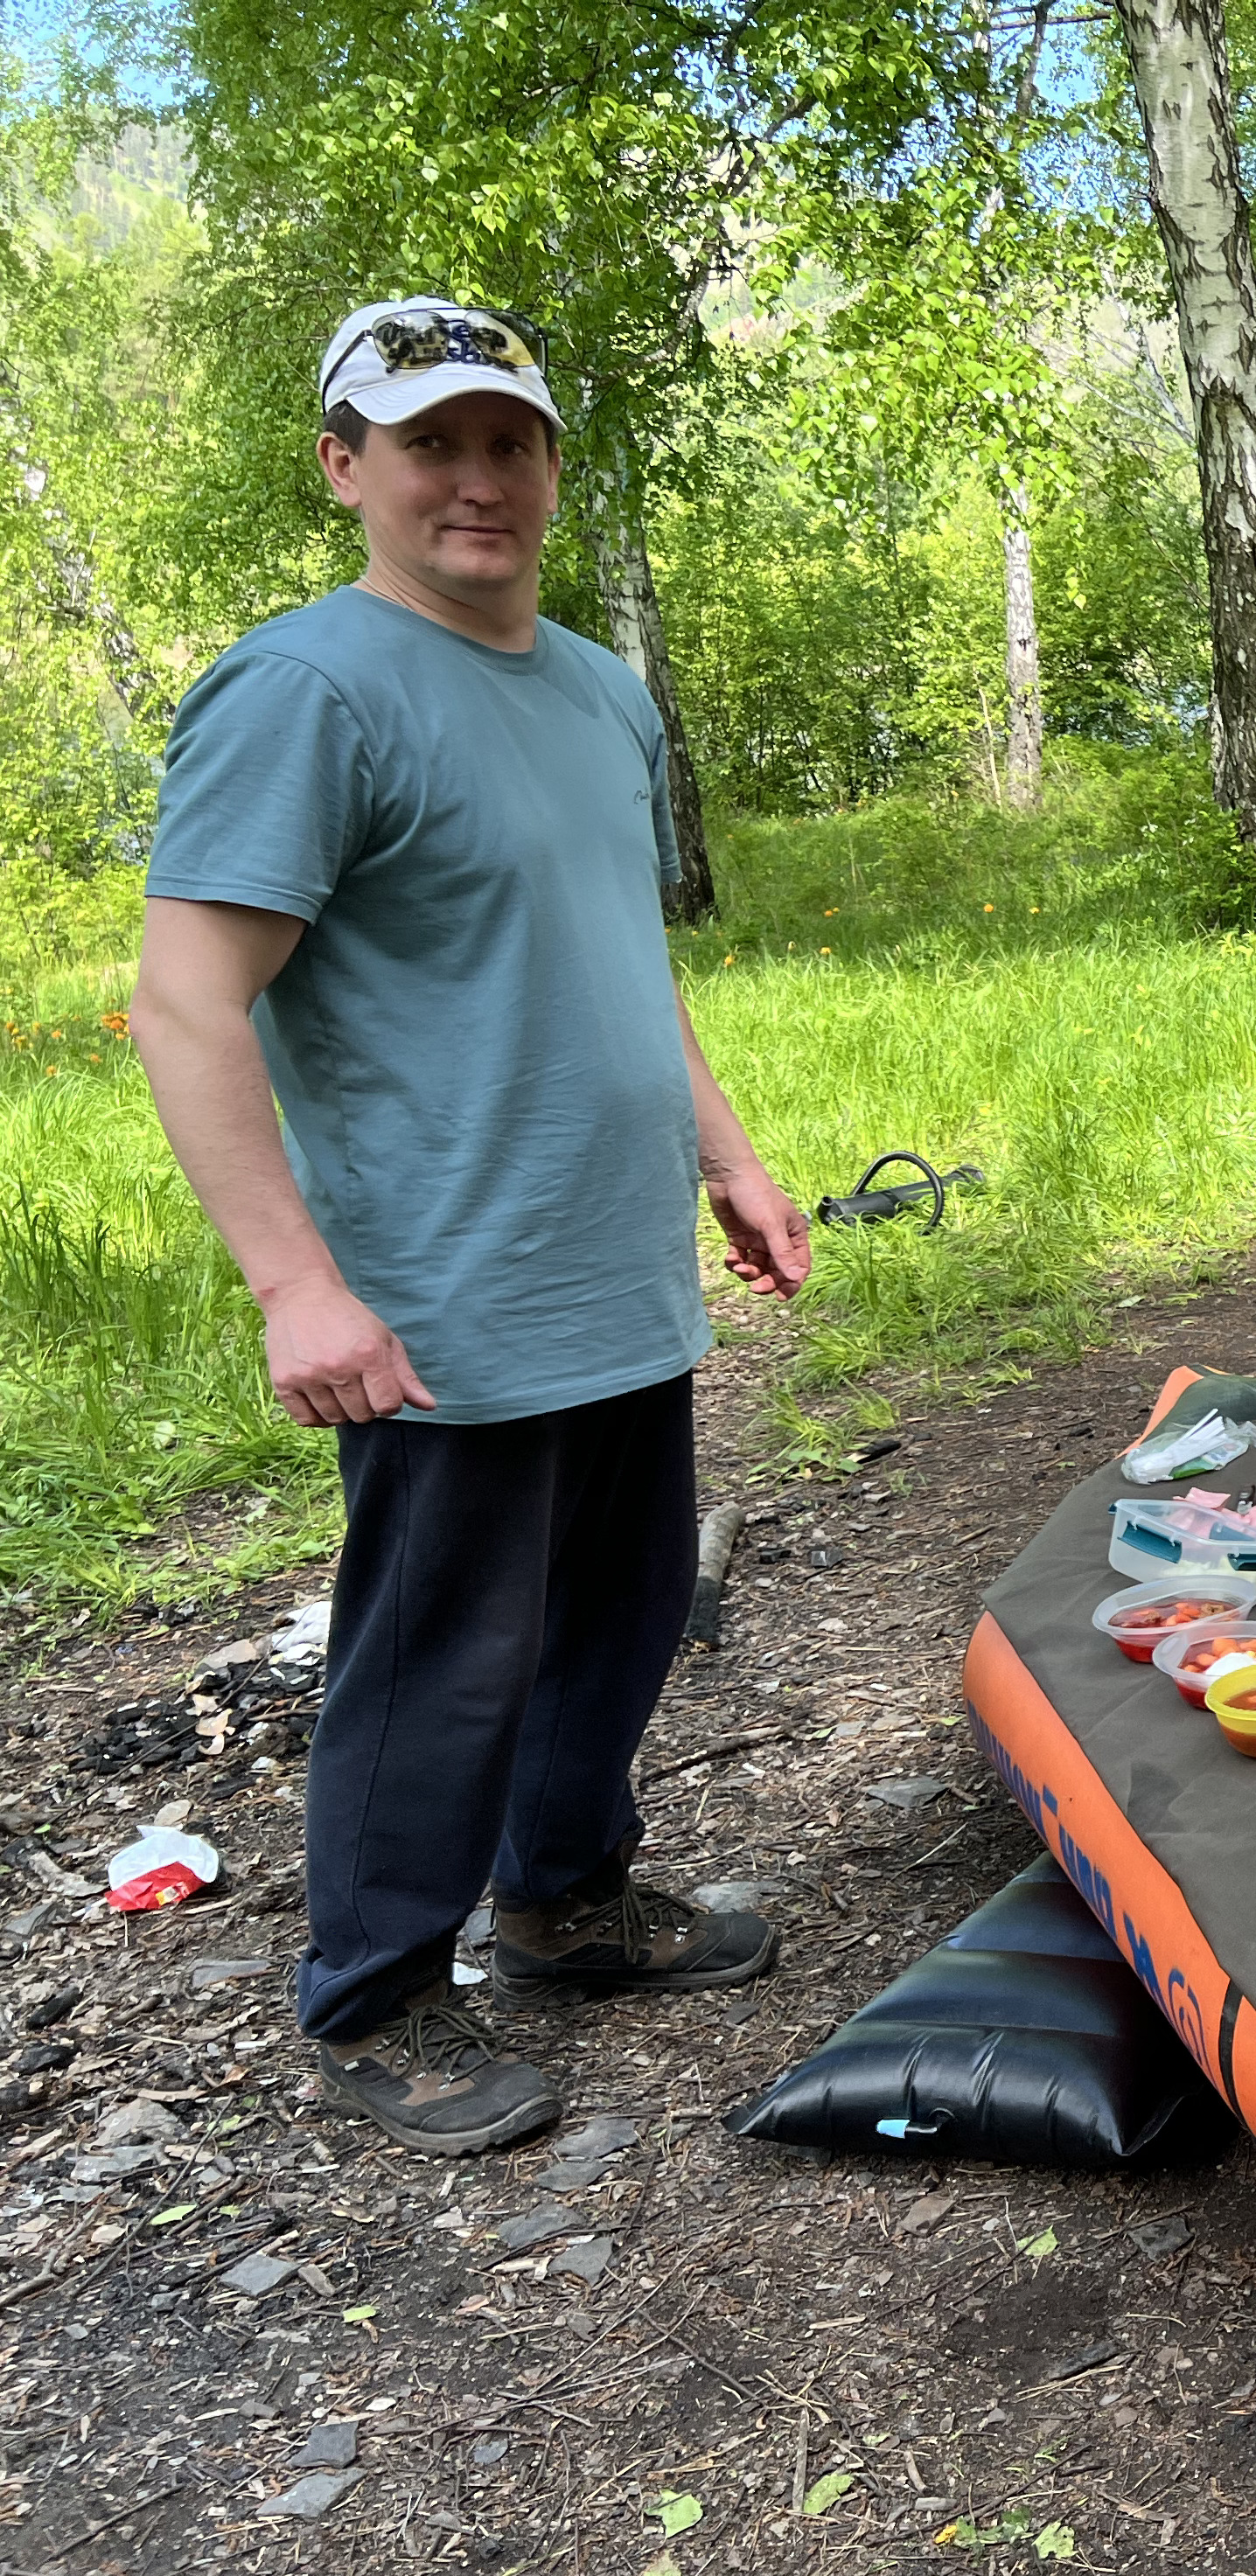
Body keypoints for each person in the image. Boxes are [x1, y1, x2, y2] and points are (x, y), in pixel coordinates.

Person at [131, 299, 811, 2158]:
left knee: (620, 1616)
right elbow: (186, 1003)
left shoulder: (597, 686)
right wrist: (294, 1284)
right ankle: (371, 1996)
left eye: (509, 443)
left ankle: (567, 1899)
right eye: (431, 443)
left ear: (551, 471)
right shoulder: (307, 690)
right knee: (441, 1657)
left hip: (612, 1269)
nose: (478, 481)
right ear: (346, 466)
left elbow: (617, 952)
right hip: (440, 1296)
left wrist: (727, 1153)